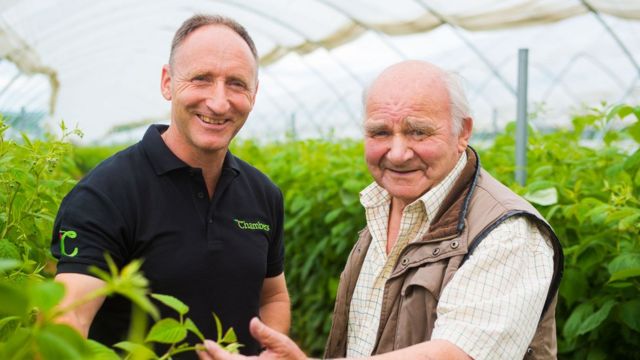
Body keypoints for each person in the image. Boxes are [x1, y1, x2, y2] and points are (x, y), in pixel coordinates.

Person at [196, 60, 563, 360]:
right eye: (380, 133)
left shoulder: (509, 233)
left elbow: (455, 353)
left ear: (462, 132)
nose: (398, 152)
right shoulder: (383, 208)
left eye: (419, 132)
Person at [50, 14, 290, 357]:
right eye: (201, 79)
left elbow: (273, 296)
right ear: (167, 82)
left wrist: (268, 351)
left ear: (254, 93)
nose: (219, 102)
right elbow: (67, 320)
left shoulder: (263, 194)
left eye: (236, 83)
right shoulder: (106, 194)